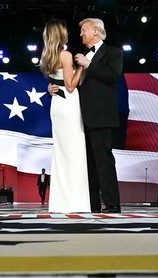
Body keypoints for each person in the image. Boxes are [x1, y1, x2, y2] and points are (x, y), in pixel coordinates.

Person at [50, 17, 123, 214]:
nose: (81, 33)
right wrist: (55, 88)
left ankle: (112, 203)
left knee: (104, 161)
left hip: (102, 116)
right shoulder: (82, 55)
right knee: (88, 164)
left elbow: (113, 77)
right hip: (82, 117)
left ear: (96, 32)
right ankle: (92, 204)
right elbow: (74, 85)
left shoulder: (113, 53)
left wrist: (88, 64)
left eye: (84, 30)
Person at [40, 19, 91, 214]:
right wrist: (81, 67)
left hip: (57, 105)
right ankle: (76, 202)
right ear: (60, 34)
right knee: (75, 153)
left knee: (61, 154)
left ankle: (60, 203)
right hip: (69, 103)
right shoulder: (66, 55)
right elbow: (70, 86)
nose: (68, 33)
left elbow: (56, 82)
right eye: (65, 31)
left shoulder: (47, 56)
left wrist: (50, 87)